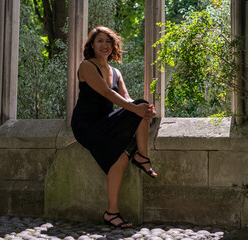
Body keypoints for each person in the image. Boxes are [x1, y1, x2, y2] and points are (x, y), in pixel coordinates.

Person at [71, 26, 157, 228]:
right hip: (86, 126)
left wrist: (145, 111)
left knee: (120, 159)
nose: (104, 45)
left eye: (108, 42)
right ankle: (142, 157)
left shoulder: (116, 72)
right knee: (138, 107)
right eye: (99, 41)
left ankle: (111, 213)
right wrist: (136, 109)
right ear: (92, 45)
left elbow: (126, 99)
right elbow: (108, 95)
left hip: (106, 123)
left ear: (113, 46)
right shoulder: (86, 66)